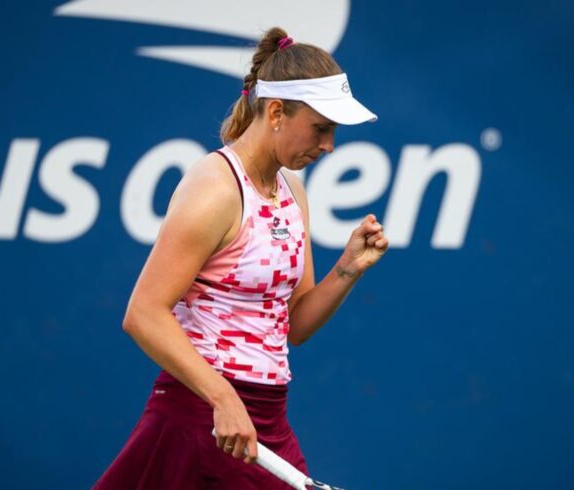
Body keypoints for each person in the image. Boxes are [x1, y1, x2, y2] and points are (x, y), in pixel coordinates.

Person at [93, 26, 388, 489]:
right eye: (321, 128)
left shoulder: (293, 190)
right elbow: (143, 314)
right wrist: (221, 398)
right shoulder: (214, 189)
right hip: (202, 417)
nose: (329, 145)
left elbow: (294, 325)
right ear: (275, 111)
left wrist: (347, 269)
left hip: (266, 420)